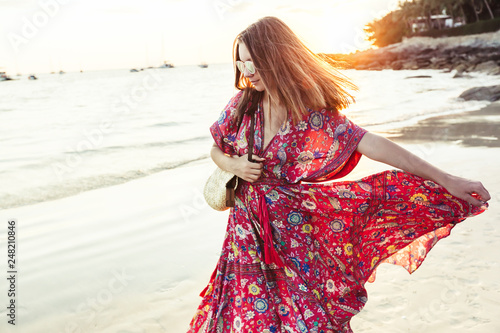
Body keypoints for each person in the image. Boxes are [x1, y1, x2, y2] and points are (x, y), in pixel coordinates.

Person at [188, 16, 490, 333]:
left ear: (277, 58)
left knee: (311, 321)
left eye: (254, 61)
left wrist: (449, 180)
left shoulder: (308, 113)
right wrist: (234, 166)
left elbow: (370, 143)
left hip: (295, 234)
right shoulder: (241, 106)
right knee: (247, 318)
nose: (247, 70)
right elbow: (215, 150)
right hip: (245, 236)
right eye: (242, 61)